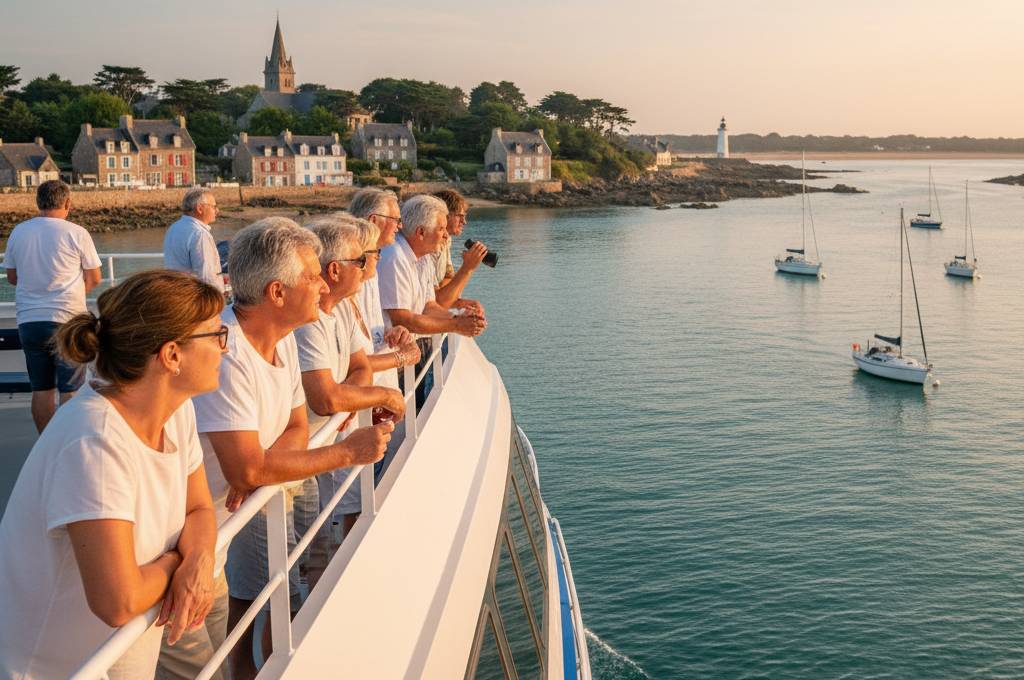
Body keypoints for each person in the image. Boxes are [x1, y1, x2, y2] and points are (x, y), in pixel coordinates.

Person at [191, 217, 393, 680]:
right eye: (311, 276)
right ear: (277, 293)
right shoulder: (230, 355)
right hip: (198, 532)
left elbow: (296, 424)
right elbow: (246, 471)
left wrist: (263, 466)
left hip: (218, 523)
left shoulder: (279, 343)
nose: (322, 284)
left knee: (254, 612)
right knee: (229, 635)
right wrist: (347, 452)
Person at [0, 270, 224, 679]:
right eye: (217, 335)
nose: (226, 349)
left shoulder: (176, 412)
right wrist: (182, 561)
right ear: (172, 355)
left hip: (112, 649)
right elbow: (118, 600)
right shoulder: (95, 441)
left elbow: (200, 509)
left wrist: (199, 557)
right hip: (53, 668)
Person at [296, 216, 413, 549]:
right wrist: (378, 394)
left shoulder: (343, 306)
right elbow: (325, 400)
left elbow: (359, 365)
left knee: (315, 541)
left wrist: (351, 396)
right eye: (360, 260)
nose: (366, 266)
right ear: (335, 270)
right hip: (314, 445)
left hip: (328, 437)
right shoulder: (311, 320)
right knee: (311, 546)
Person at [4, 179, 102, 432]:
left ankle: (45, 445)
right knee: (71, 388)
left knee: (42, 388)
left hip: (30, 321)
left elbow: (13, 278)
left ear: (38, 202)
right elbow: (94, 277)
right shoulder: (77, 232)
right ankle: (68, 444)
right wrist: (74, 293)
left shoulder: (19, 232)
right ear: (67, 203)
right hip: (67, 319)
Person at [346, 188, 419, 391]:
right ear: (374, 220)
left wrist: (390, 331)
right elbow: (349, 352)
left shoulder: (373, 262)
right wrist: (402, 357)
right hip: (364, 390)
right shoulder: (351, 271)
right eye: (395, 219)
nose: (400, 226)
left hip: (379, 383)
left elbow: (368, 324)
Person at [431, 189, 487, 313]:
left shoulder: (446, 241)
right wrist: (468, 268)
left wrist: (461, 303)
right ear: (445, 215)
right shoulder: (428, 247)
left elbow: (446, 281)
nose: (464, 222)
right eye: (460, 216)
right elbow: (439, 302)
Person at [163, 187, 225, 292]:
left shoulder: (174, 227)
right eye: (214, 206)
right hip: (197, 298)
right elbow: (206, 276)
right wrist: (219, 297)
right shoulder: (200, 234)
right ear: (200, 209)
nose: (217, 210)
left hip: (176, 292)